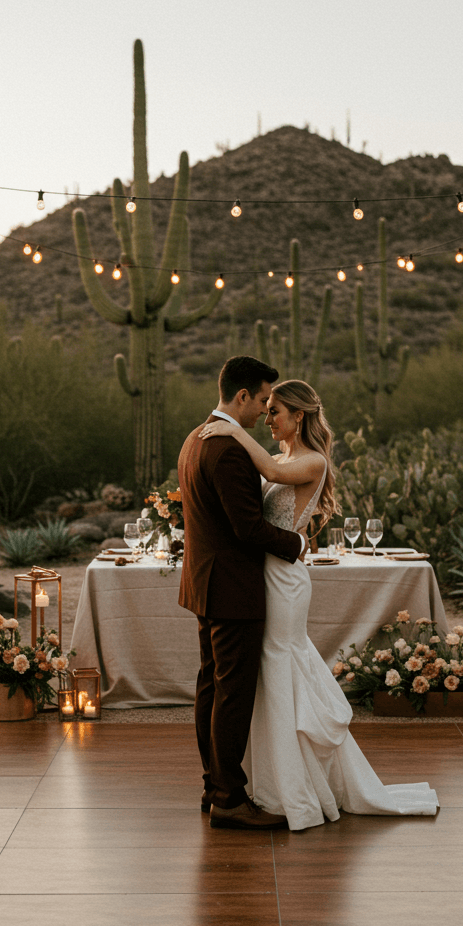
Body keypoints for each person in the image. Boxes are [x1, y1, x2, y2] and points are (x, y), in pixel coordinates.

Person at [199, 379, 439, 830]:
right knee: (269, 675)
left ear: (299, 417)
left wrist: (233, 431)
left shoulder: (311, 461)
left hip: (284, 579)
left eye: (275, 412)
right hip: (266, 573)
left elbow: (270, 473)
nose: (268, 419)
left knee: (281, 664)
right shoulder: (287, 457)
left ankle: (295, 787)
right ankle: (271, 780)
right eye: (265, 411)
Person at [178, 356, 304, 830]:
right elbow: (247, 529)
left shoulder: (197, 438)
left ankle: (216, 787)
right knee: (231, 695)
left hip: (206, 585)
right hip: (232, 589)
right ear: (244, 396)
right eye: (264, 402)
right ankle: (229, 797)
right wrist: (298, 543)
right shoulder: (227, 449)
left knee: (211, 688)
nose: (264, 414)